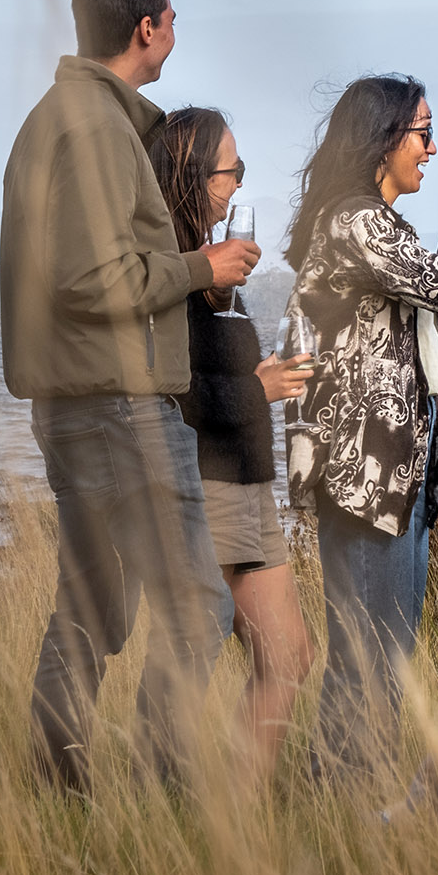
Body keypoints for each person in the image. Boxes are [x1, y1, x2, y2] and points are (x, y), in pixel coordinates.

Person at [0, 0, 261, 792]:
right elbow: (88, 280)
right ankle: (165, 795)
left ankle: (54, 791)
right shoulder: (91, 128)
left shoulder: (83, 118)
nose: (178, 31)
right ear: (146, 28)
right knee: (198, 611)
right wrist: (202, 268)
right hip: (116, 407)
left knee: (93, 610)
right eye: (173, 19)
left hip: (82, 406)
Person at [282, 74, 438, 776]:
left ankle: (354, 810)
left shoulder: (380, 226)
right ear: (385, 140)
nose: (434, 149)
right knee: (368, 662)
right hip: (361, 476)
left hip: (398, 474)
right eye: (423, 133)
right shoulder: (354, 221)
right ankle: (340, 807)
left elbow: (429, 318)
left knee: (389, 659)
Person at [149, 106, 317, 783]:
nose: (238, 185)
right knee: (202, 654)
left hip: (248, 486)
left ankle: (235, 812)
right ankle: (185, 803)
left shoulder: (211, 273)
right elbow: (175, 395)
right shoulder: (169, 270)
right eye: (231, 171)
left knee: (290, 657)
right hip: (210, 484)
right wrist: (263, 390)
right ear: (194, 178)